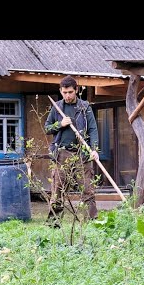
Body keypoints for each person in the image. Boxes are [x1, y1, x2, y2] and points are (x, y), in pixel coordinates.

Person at [44, 75, 99, 227]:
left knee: (88, 190)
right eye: (64, 92)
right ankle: (53, 225)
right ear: (61, 91)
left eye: (70, 92)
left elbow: (93, 130)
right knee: (58, 190)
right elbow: (47, 128)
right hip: (62, 154)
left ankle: (92, 224)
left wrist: (94, 150)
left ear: (76, 90)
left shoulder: (84, 107)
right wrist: (60, 124)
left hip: (82, 153)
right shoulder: (57, 107)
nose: (67, 95)